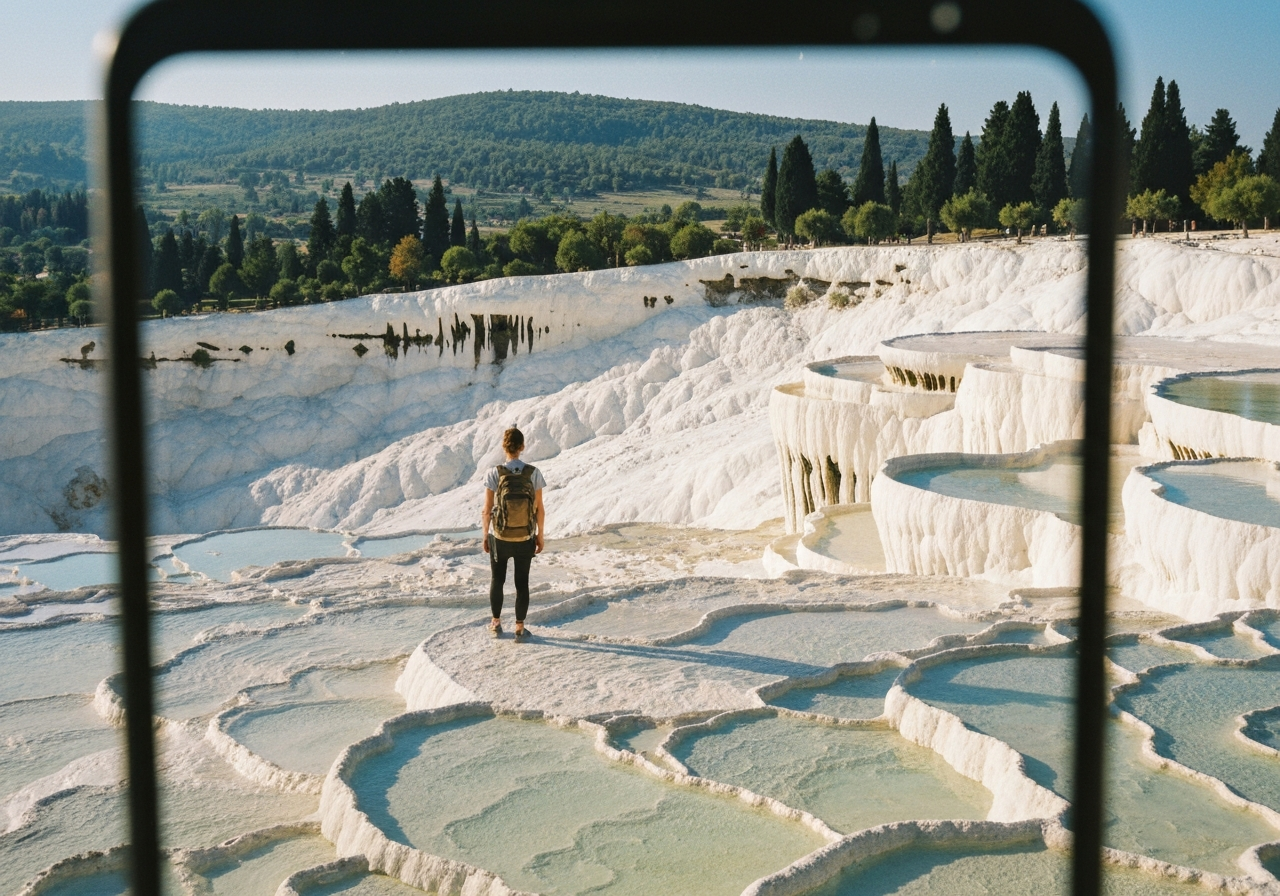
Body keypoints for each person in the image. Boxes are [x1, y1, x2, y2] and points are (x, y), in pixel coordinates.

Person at [482, 426, 545, 639]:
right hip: (525, 537)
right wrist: (540, 535)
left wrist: (485, 535)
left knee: (497, 579)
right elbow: (539, 508)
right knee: (522, 582)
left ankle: (496, 623)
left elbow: (487, 509)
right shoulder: (533, 472)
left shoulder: (494, 473)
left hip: (500, 537)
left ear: (504, 447)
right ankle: (519, 627)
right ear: (522, 447)